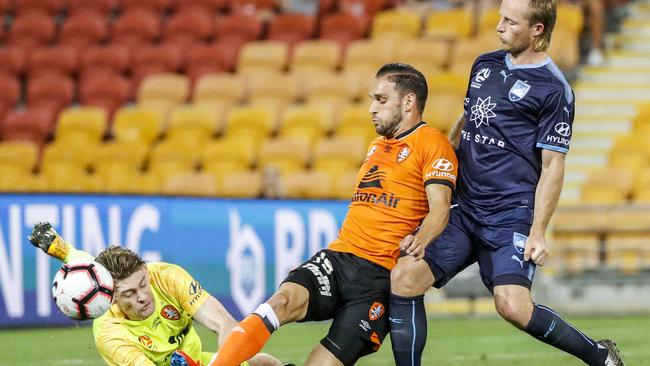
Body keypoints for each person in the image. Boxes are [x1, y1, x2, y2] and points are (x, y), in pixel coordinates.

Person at [387, 0, 625, 365]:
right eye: (500, 17)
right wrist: (443, 164)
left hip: (509, 217)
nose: (498, 27)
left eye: (510, 22)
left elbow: (552, 166)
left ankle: (598, 355)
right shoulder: (485, 64)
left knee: (512, 305)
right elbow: (467, 119)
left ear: (537, 30)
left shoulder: (554, 89)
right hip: (463, 211)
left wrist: (539, 231)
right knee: (404, 279)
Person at [206, 63, 458, 366]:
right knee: (282, 302)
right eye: (371, 99)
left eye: (380, 100)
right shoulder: (376, 146)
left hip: (378, 280)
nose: (370, 109)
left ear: (408, 102)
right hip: (338, 260)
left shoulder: (432, 143)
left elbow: (440, 207)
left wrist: (422, 239)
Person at [28, 222, 288, 366]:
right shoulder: (108, 332)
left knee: (263, 363)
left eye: (143, 283)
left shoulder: (165, 276)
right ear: (111, 297)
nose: (142, 296)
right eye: (129, 293)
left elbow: (225, 325)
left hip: (194, 362)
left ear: (145, 270)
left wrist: (61, 249)